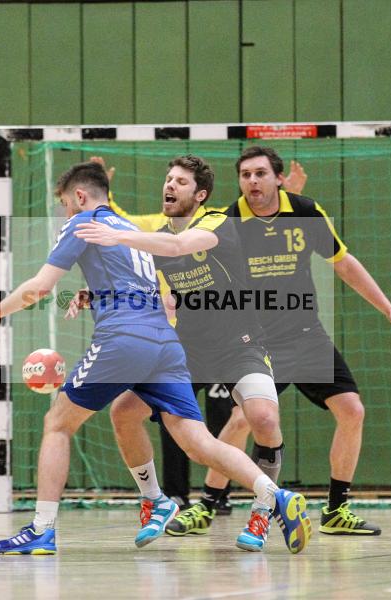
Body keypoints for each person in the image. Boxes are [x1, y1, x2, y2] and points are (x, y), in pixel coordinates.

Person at [0, 161, 311, 555]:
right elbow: (141, 285)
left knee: (57, 423)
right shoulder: (136, 231)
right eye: (168, 180)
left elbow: (41, 287)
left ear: (79, 197)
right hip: (168, 343)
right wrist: (91, 295)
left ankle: (42, 529)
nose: (65, 213)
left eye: (65, 203)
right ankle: (271, 495)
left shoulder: (89, 224)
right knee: (182, 436)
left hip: (139, 340)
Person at [76, 155, 286, 552]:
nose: (169, 186)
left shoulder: (217, 222)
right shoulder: (154, 232)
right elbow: (135, 275)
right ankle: (156, 501)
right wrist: (94, 293)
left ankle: (262, 510)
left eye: (181, 182)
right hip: (188, 349)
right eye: (168, 179)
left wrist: (120, 236)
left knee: (262, 416)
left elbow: (178, 245)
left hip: (240, 343)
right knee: (124, 413)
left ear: (200, 194)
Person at [221, 145, 391, 535]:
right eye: (245, 175)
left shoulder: (306, 211)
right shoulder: (229, 221)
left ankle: (335, 510)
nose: (252, 181)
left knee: (352, 410)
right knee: (242, 419)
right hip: (258, 341)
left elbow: (344, 263)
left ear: (278, 178)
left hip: (305, 335)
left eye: (260, 173)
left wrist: (390, 310)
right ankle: (211, 503)